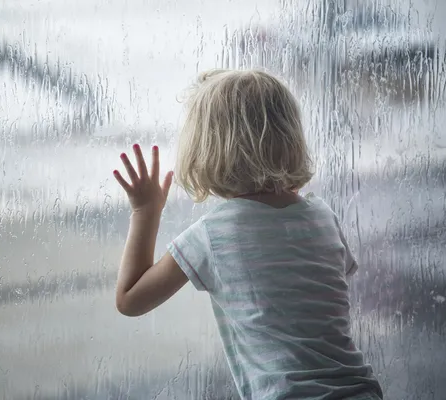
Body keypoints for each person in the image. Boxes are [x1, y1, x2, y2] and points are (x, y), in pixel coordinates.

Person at [112, 69, 383, 399]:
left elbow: (130, 299)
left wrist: (145, 210)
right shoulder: (322, 217)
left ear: (206, 150)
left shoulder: (213, 234)